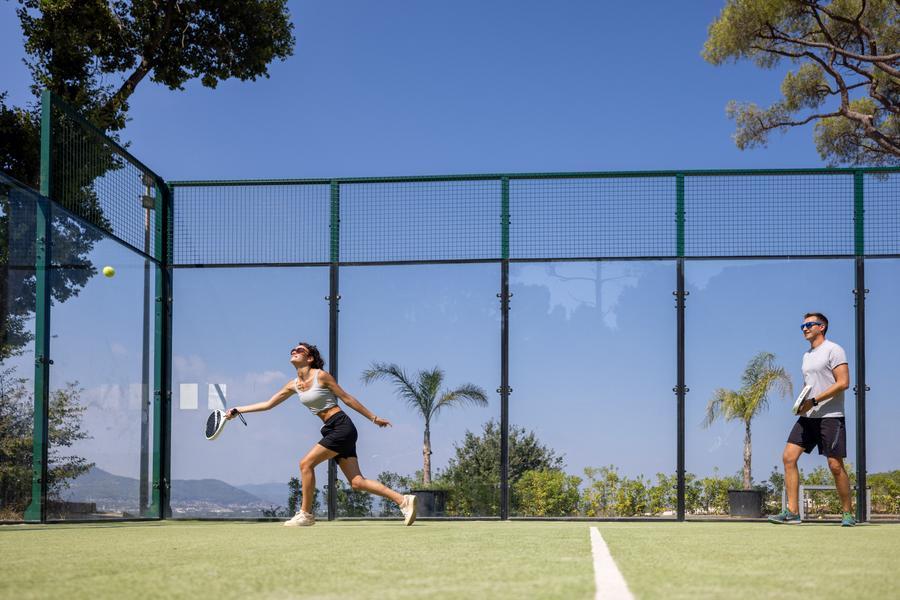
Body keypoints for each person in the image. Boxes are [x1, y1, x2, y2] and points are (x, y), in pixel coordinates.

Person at [225, 341, 417, 527]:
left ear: (309, 358)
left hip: (341, 426)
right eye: (292, 349)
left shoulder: (321, 376)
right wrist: (238, 409)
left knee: (305, 463)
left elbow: (347, 399)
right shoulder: (293, 385)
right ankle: (403, 500)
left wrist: (374, 418)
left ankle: (306, 514)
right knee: (357, 482)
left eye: (299, 350)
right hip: (332, 428)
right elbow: (268, 404)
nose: (294, 351)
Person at [768, 313, 855, 526]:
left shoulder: (834, 350)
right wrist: (802, 403)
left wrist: (814, 401)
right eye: (802, 325)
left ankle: (848, 513)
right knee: (789, 457)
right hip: (808, 416)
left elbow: (843, 382)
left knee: (835, 465)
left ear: (822, 327)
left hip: (830, 417)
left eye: (809, 325)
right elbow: (809, 385)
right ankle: (792, 512)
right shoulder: (806, 356)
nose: (804, 328)